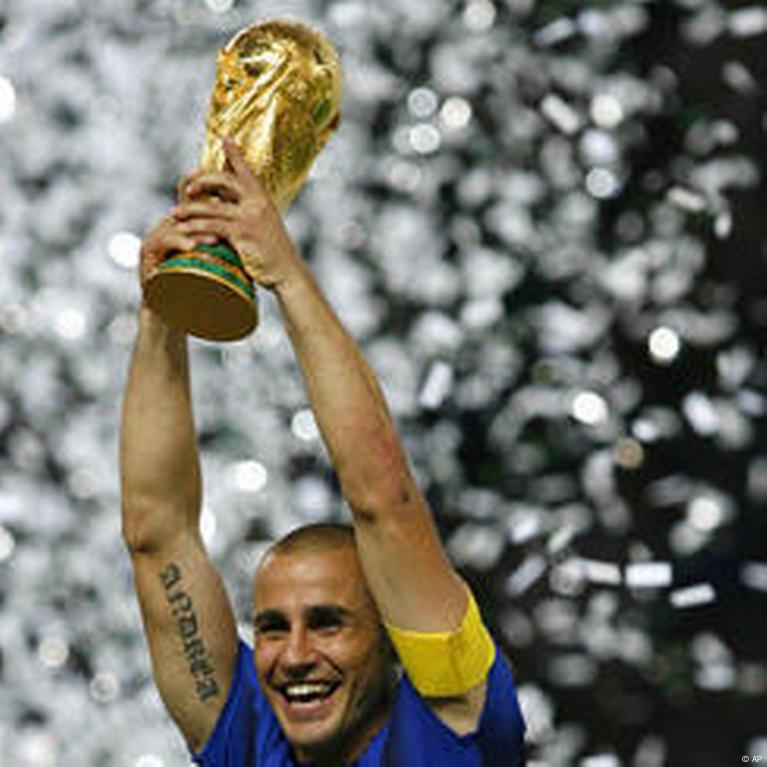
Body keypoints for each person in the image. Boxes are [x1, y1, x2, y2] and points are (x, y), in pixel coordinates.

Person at [120, 137, 526, 766]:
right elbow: (157, 534)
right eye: (274, 627)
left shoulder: (454, 721)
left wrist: (285, 275)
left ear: (395, 640)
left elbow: (383, 500)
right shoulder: (247, 736)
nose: (295, 655)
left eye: (329, 621)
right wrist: (161, 315)